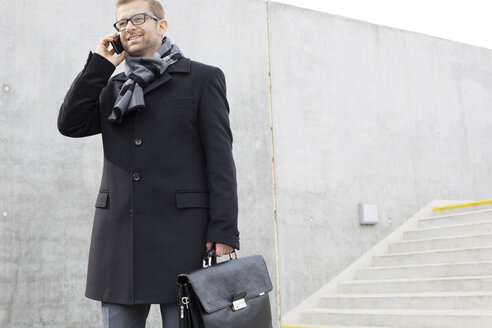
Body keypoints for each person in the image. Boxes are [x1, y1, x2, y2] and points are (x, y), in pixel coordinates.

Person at [57, 0, 240, 327]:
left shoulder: (202, 78)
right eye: (121, 23)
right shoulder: (112, 86)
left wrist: (223, 229)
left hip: (183, 236)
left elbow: (220, 160)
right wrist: (99, 65)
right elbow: (70, 124)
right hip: (118, 239)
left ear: (162, 25)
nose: (129, 27)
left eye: (138, 18)